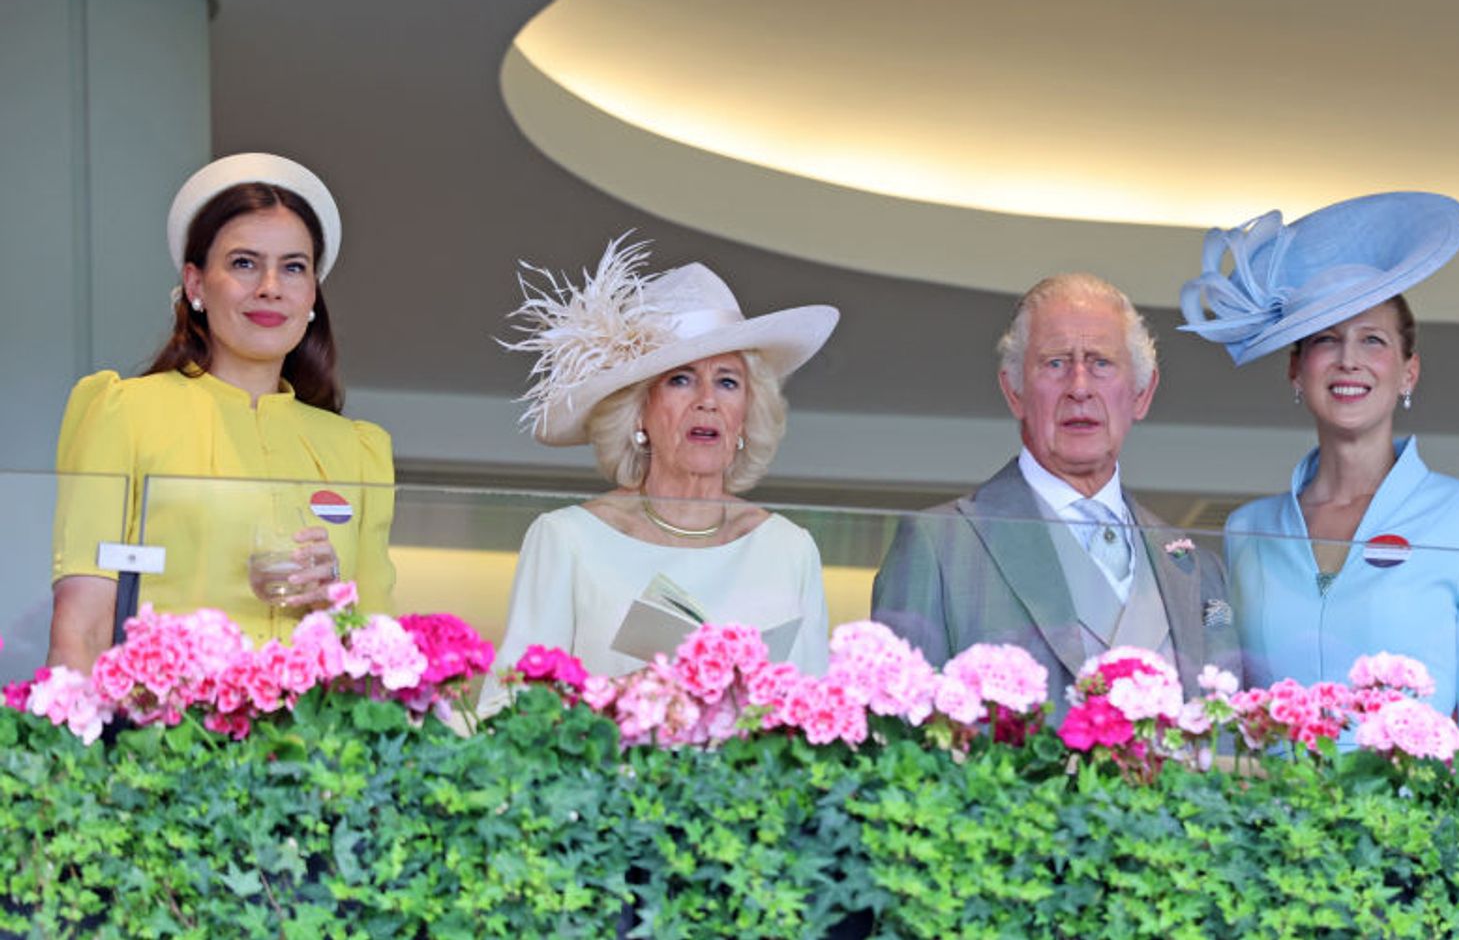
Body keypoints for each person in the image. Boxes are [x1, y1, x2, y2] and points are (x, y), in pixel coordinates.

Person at [1180, 192, 1459, 738]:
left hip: (1419, 818)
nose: (1349, 359)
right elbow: (1232, 707)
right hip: (1274, 817)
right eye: (1327, 340)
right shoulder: (1246, 529)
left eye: (1373, 340)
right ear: (1295, 369)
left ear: (1408, 372)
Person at [49, 153, 394, 668]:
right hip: (165, 736)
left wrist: (334, 602)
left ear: (312, 297)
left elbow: (382, 651)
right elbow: (83, 627)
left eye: (293, 267)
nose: (270, 286)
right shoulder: (124, 412)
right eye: (244, 263)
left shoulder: (360, 452)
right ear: (194, 285)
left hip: (315, 742)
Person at [870, 273, 1241, 711]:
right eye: (1055, 363)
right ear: (1015, 392)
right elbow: (896, 742)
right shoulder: (939, 545)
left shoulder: (1199, 568)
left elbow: (1225, 746)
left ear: (1141, 393)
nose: (1079, 386)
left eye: (1101, 362)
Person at [488, 235, 838, 689]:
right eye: (681, 379)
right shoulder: (567, 540)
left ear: (747, 414)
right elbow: (509, 708)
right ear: (639, 411)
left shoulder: (790, 550)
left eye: (728, 382)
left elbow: (816, 719)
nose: (708, 400)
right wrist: (628, 696)